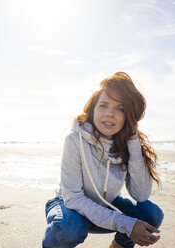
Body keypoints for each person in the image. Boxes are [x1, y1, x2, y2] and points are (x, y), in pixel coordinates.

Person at [42, 72, 164, 248]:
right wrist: (127, 224)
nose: (109, 114)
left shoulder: (127, 145)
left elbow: (141, 195)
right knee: (68, 228)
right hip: (69, 207)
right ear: (93, 110)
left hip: (107, 205)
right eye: (104, 106)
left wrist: (133, 142)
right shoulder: (75, 140)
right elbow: (73, 198)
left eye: (120, 109)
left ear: (128, 116)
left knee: (151, 215)